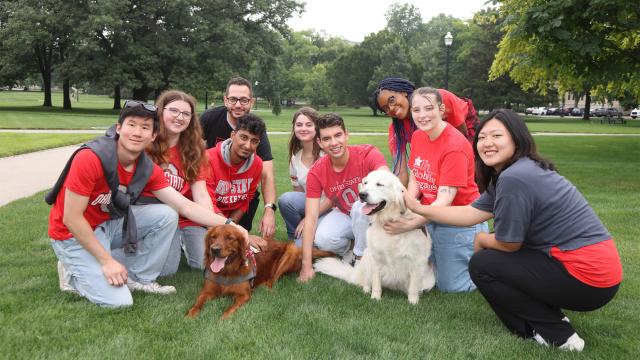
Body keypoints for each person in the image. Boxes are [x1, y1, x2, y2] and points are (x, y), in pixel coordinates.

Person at [403, 109, 622, 351]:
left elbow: (509, 244)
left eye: (497, 136)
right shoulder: (516, 171)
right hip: (596, 274)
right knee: (496, 260)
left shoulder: (515, 177)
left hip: (588, 278)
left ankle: (557, 335)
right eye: (483, 137)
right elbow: (469, 213)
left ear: (517, 139)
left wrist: (483, 239)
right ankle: (550, 318)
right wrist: (419, 208)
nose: (487, 143)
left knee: (484, 264)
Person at [48, 101, 249, 308]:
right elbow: (71, 218)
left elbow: (185, 207)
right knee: (119, 302)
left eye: (145, 128)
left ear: (153, 135)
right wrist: (106, 261)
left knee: (166, 214)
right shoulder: (91, 158)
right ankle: (72, 271)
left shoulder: (145, 166)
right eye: (131, 125)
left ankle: (141, 279)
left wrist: (231, 225)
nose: (137, 132)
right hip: (71, 234)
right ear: (119, 128)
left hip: (105, 225)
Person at [383, 87, 487, 293]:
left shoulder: (454, 145)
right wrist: (405, 205)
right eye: (416, 110)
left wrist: (412, 223)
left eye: (428, 108)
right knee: (422, 270)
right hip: (432, 217)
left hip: (459, 220)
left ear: (441, 109)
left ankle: (486, 261)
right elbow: (417, 176)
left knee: (450, 287)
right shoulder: (419, 137)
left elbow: (444, 202)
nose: (422, 116)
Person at [298, 113, 389, 283]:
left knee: (359, 207)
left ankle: (360, 260)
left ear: (346, 134)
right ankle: (352, 247)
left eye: (338, 135)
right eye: (326, 139)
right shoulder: (317, 171)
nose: (334, 143)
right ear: (319, 142)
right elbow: (311, 218)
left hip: (376, 216)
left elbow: (387, 181)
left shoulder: (367, 153)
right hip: (345, 214)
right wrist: (306, 265)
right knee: (324, 238)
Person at [146, 90, 213, 275]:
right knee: (167, 270)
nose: (179, 117)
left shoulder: (195, 149)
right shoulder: (146, 144)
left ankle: (183, 242)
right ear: (160, 111)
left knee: (204, 262)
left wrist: (213, 228)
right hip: (157, 215)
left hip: (186, 215)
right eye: (173, 110)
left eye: (186, 114)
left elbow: (200, 194)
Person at [200, 76, 276, 238]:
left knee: (236, 239)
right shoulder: (209, 118)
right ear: (225, 99)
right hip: (210, 183)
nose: (238, 105)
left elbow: (267, 173)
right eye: (233, 99)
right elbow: (191, 152)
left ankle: (237, 228)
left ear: (252, 102)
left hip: (237, 192)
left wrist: (269, 209)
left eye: (243, 100)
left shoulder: (256, 129)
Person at [372, 77, 478, 185]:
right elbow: (401, 170)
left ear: (403, 92)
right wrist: (400, 197)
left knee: (471, 174)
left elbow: (462, 134)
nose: (391, 108)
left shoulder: (439, 99)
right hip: (436, 143)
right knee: (427, 178)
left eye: (392, 100)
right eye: (385, 108)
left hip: (465, 130)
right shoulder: (396, 130)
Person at [277, 107, 326, 241]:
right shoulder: (295, 159)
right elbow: (297, 194)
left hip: (331, 207)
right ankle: (296, 237)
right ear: (294, 128)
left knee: (323, 240)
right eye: (299, 125)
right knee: (286, 199)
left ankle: (311, 235)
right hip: (313, 205)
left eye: (309, 125)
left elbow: (334, 198)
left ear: (317, 127)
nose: (303, 128)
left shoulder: (326, 154)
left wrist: (308, 219)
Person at [206, 114, 265, 224]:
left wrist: (231, 225)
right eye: (243, 137)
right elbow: (206, 201)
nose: (248, 146)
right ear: (233, 135)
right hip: (204, 217)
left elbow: (246, 199)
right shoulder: (208, 159)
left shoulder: (257, 164)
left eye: (254, 141)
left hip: (230, 222)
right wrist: (228, 227)